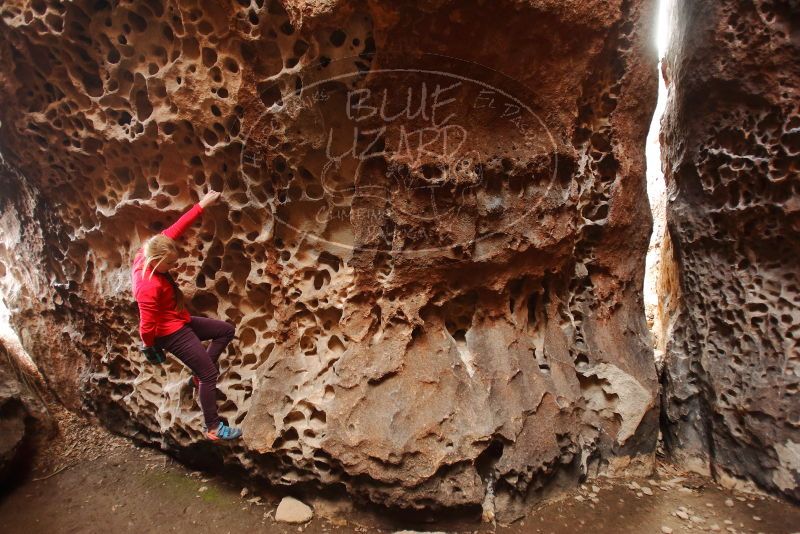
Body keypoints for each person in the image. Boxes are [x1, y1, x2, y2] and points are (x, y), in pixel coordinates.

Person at [131, 190, 242, 441]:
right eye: (170, 265)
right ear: (157, 262)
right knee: (208, 375)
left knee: (225, 331)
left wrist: (202, 205)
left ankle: (199, 372)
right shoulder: (147, 286)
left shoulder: (148, 251)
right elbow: (146, 325)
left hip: (180, 320)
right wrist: (150, 347)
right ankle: (213, 427)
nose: (174, 267)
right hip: (171, 334)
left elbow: (175, 229)